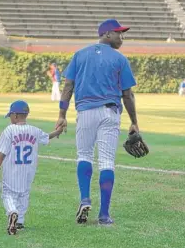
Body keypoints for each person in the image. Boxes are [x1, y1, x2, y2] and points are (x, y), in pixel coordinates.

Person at [55, 19, 140, 226]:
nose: (122, 37)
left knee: (84, 155)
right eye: (120, 33)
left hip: (85, 112)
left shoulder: (80, 54)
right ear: (107, 34)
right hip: (109, 113)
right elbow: (127, 94)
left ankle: (85, 198)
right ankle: (104, 215)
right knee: (107, 162)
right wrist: (134, 122)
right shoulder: (120, 59)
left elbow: (68, 86)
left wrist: (61, 115)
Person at [0, 100, 63, 235]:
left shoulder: (9, 130)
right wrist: (58, 130)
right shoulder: (34, 130)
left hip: (12, 170)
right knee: (24, 194)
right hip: (28, 171)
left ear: (15, 115)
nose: (10, 118)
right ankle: (19, 221)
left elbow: (2, 152)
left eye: (11, 116)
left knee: (8, 194)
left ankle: (12, 212)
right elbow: (47, 137)